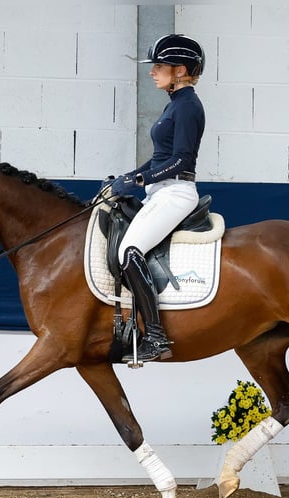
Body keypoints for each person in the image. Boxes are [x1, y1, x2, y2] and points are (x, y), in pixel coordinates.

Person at [109, 33, 206, 363]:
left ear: (180, 71)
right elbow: (160, 158)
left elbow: (181, 161)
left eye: (159, 66)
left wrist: (139, 179)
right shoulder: (174, 105)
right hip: (161, 191)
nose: (152, 71)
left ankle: (155, 336)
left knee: (129, 250)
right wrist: (131, 175)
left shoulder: (189, 106)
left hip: (177, 192)